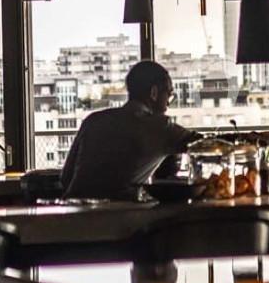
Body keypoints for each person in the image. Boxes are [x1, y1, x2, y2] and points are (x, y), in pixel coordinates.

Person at [60, 61, 199, 199]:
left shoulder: (93, 120)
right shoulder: (159, 128)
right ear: (154, 92)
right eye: (169, 94)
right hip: (119, 215)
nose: (168, 103)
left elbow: (66, 178)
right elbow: (208, 145)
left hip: (72, 212)